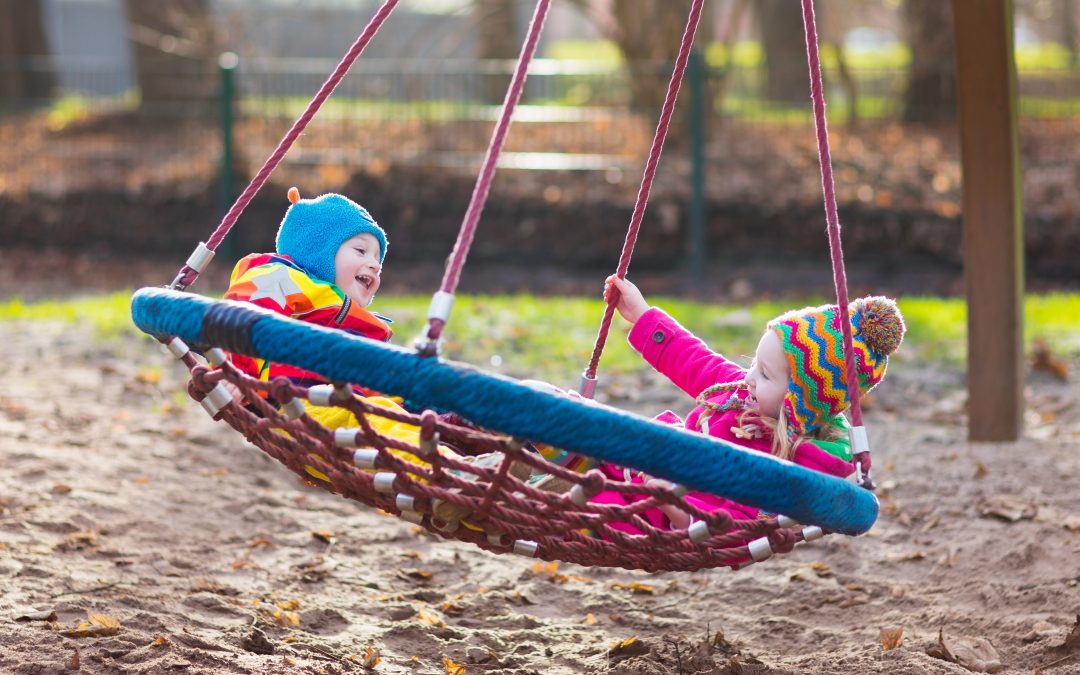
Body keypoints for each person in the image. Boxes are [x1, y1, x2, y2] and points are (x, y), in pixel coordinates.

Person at [222, 188, 530, 514]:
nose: (374, 264)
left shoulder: (350, 317)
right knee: (382, 430)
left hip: (374, 403)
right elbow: (242, 318)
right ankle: (451, 478)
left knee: (450, 412)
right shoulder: (282, 276)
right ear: (316, 249)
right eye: (360, 250)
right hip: (303, 409)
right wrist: (234, 372)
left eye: (378, 259)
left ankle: (521, 466)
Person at [594, 275, 905, 532]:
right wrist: (643, 315)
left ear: (799, 402)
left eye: (766, 374)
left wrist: (672, 504)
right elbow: (696, 360)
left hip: (645, 514)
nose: (750, 378)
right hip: (634, 461)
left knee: (570, 502)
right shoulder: (746, 394)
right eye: (755, 363)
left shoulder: (780, 463)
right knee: (565, 413)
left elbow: (736, 522)